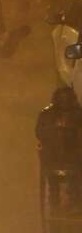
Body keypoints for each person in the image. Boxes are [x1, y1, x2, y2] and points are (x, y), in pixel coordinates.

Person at [36, 87, 82, 218]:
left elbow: (39, 133)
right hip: (57, 159)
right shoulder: (47, 114)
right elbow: (40, 133)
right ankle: (62, 204)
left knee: (72, 178)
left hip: (69, 159)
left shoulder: (77, 114)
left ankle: (69, 203)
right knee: (58, 180)